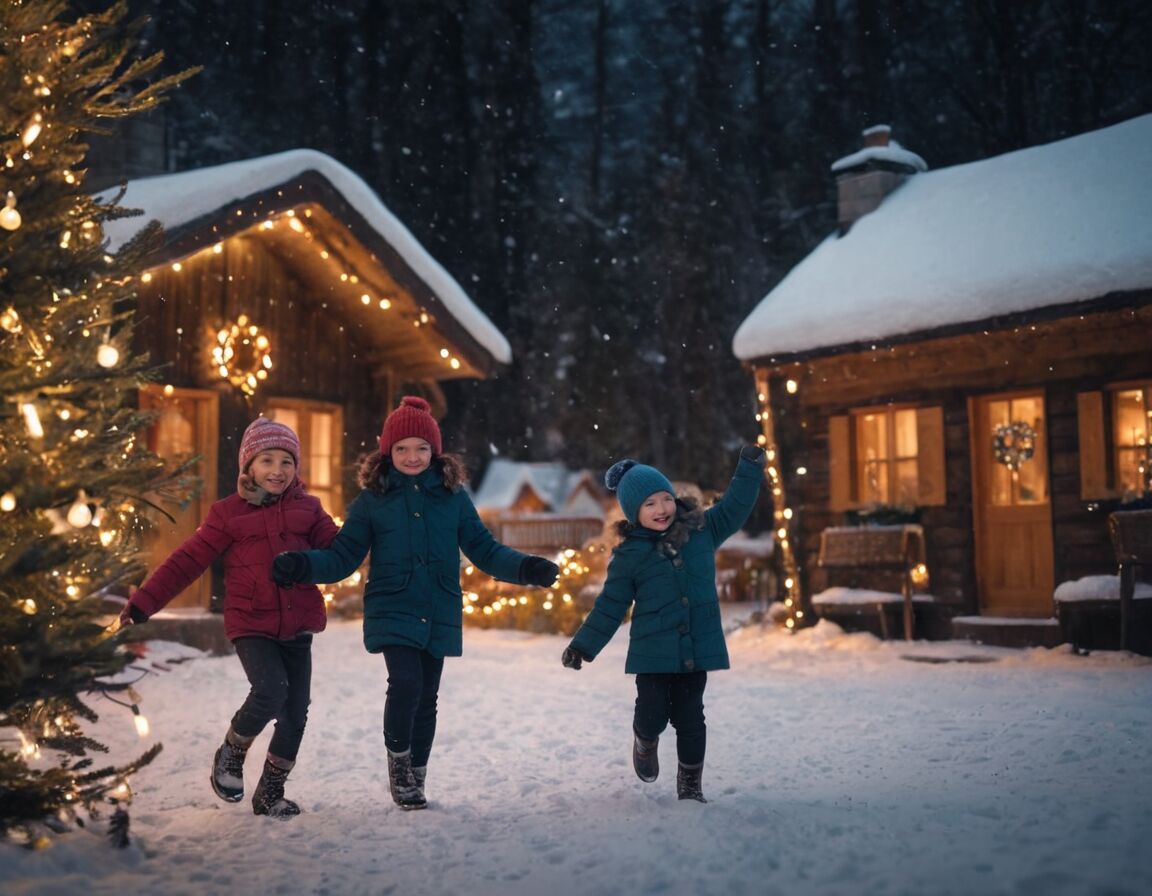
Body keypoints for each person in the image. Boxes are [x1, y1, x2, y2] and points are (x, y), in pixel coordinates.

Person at [272, 396, 559, 810]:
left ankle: (418, 772)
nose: (412, 456)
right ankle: (400, 765)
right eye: (402, 448)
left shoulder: (452, 497)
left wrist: (527, 568)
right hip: (393, 604)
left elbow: (483, 548)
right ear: (387, 451)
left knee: (428, 696)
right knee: (405, 682)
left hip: (439, 605)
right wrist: (301, 565)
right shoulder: (374, 499)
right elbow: (343, 556)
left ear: (435, 452)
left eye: (421, 448)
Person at [119, 417, 338, 819]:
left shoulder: (309, 509)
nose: (277, 470)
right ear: (248, 467)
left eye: (287, 461)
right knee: (271, 690)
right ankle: (232, 752)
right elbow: (187, 561)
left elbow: (340, 552)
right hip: (251, 622)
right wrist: (143, 603)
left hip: (297, 623)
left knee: (295, 711)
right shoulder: (228, 514)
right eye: (267, 460)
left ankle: (270, 793)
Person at [561, 445, 765, 802]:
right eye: (650, 504)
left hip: (695, 648)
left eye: (665, 499)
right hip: (652, 652)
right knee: (653, 714)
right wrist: (582, 646)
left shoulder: (702, 529)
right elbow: (610, 606)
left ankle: (690, 785)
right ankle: (644, 739)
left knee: (691, 718)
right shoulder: (629, 556)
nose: (661, 509)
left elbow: (736, 506)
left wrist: (748, 468)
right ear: (634, 513)